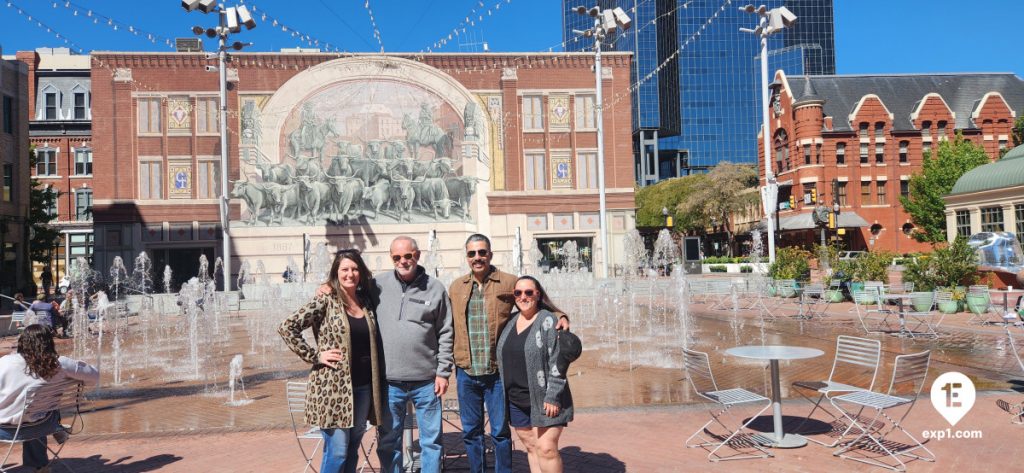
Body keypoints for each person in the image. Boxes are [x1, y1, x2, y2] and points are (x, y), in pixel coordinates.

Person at [448, 234, 569, 473]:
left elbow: (534, 300)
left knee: (500, 433)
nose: (477, 257)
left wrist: (559, 314)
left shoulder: (508, 282)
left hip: (496, 374)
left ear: (490, 254)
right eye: (472, 254)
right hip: (466, 372)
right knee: (471, 432)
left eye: (482, 252)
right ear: (467, 258)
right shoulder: (456, 286)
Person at [279, 249, 386, 473]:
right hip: (332, 389)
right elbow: (288, 327)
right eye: (345, 269)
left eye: (355, 268)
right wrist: (315, 356)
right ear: (336, 273)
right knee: (337, 451)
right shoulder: (326, 300)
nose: (350, 274)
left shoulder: (366, 300)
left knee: (353, 446)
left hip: (363, 387)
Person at [373, 236, 453, 473]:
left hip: (427, 382)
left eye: (407, 256)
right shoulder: (376, 285)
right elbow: (346, 289)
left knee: (431, 441)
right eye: (396, 257)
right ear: (391, 258)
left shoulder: (435, 288)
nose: (402, 261)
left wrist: (443, 372)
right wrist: (326, 285)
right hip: (390, 382)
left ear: (417, 255)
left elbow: (446, 332)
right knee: (388, 442)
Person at [496, 276, 573, 473]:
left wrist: (553, 395)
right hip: (516, 399)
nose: (523, 297)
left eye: (529, 292)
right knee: (532, 448)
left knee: (546, 448)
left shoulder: (548, 320)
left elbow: (558, 361)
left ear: (538, 295)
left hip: (545, 398)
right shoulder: (511, 320)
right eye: (518, 293)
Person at [0, 325, 99, 472]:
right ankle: (41, 465)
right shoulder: (61, 364)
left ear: (22, 342)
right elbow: (94, 376)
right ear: (49, 343)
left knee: (28, 412)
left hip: (4, 429)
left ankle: (55, 429)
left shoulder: (5, 363)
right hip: (42, 425)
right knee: (36, 412)